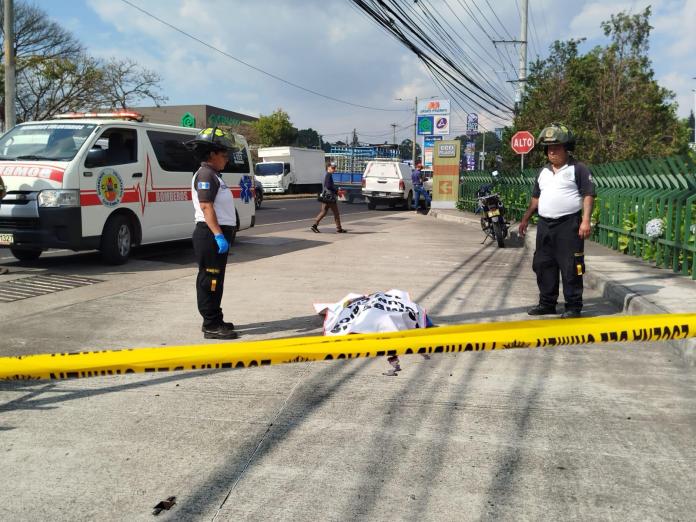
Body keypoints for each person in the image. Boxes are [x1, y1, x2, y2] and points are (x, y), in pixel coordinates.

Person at [518, 123, 595, 319]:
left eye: (556, 148)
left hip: (568, 225)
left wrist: (585, 221)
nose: (552, 152)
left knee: (571, 266)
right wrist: (526, 218)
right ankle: (547, 303)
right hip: (545, 225)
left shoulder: (578, 169)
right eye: (549, 149)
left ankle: (573, 306)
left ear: (566, 148)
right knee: (543, 264)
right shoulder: (543, 172)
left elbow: (588, 195)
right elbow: (536, 198)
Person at [185, 127, 239, 339]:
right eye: (224, 153)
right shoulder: (206, 174)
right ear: (212, 154)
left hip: (215, 234)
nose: (227, 157)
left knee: (216, 279)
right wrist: (218, 235)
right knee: (210, 279)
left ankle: (216, 318)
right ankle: (210, 324)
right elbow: (206, 206)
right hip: (209, 235)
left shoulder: (214, 174)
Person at [311, 162, 346, 233]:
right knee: (336, 213)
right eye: (333, 168)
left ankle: (314, 225)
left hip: (325, 196)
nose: (334, 169)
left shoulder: (325, 174)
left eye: (335, 168)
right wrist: (337, 191)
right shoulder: (329, 175)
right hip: (330, 197)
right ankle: (339, 228)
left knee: (323, 212)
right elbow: (328, 186)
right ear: (328, 167)